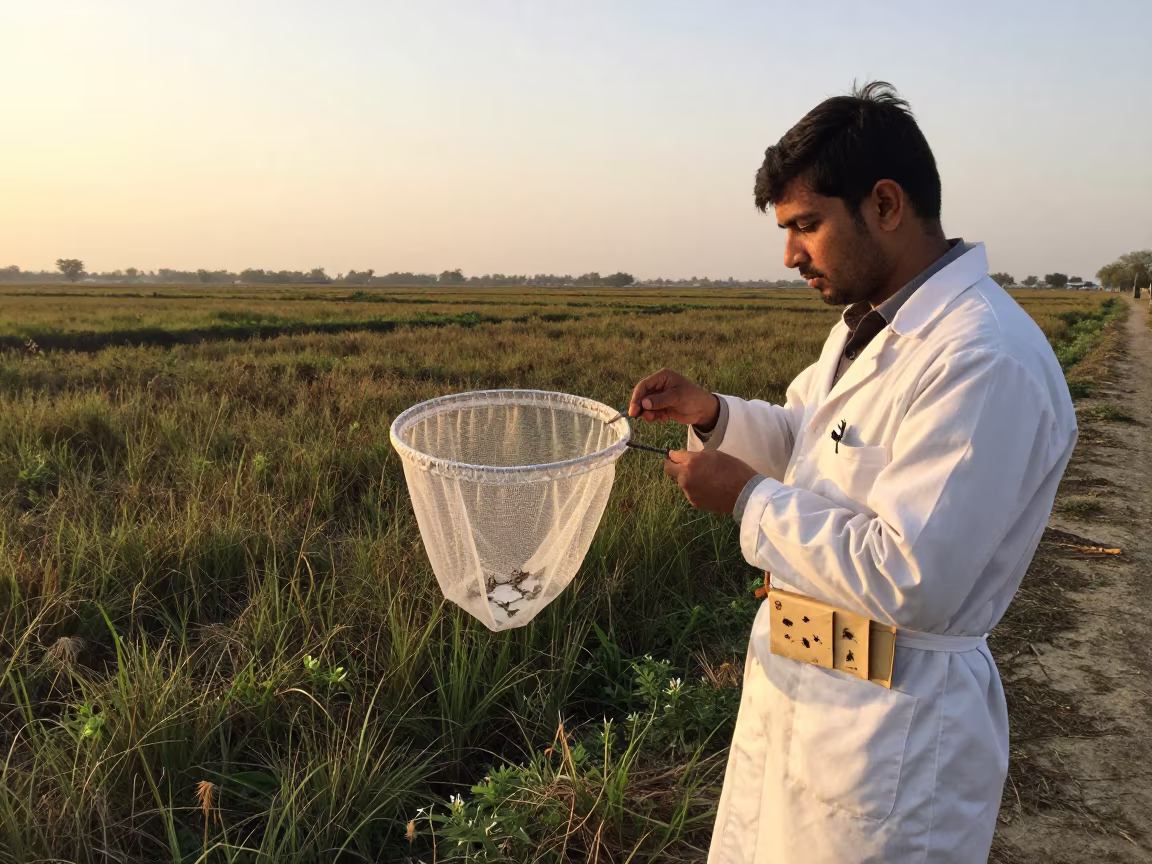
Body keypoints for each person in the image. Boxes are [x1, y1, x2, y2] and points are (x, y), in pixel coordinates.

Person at [628, 82, 1077, 863]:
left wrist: (746, 502)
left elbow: (911, 574)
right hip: (813, 686)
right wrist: (714, 417)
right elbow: (815, 440)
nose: (790, 254)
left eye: (807, 226)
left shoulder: (980, 359)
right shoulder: (870, 327)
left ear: (886, 204)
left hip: (895, 733)